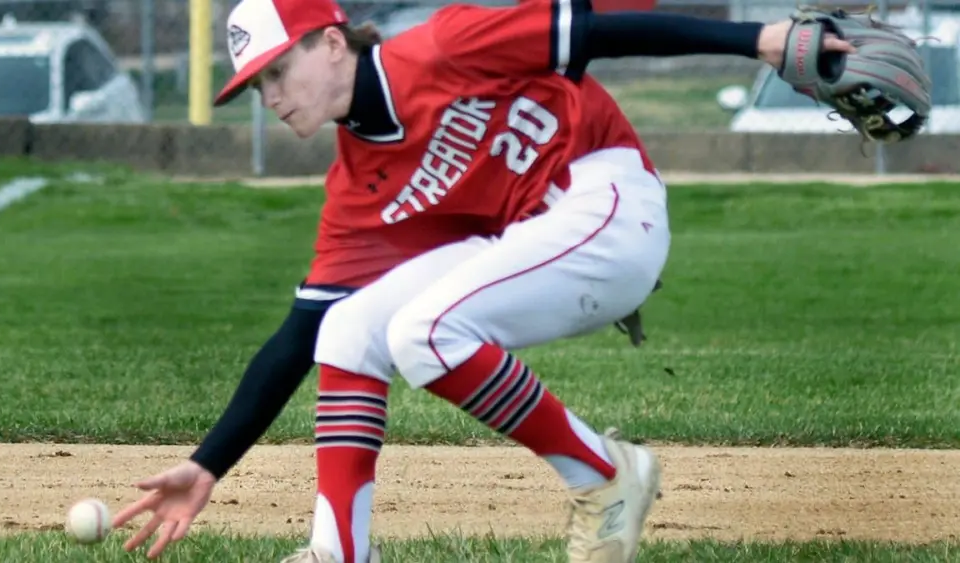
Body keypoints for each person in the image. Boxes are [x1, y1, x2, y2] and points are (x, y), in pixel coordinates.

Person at [111, 0, 855, 561]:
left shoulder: (439, 47)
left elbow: (594, 32)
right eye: (256, 86)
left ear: (332, 43)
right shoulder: (355, 186)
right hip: (538, 236)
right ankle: (338, 550)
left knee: (423, 332)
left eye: (277, 71)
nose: (270, 96)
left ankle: (604, 474)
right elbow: (297, 340)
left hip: (608, 194)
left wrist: (754, 41)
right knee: (348, 328)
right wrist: (208, 462)